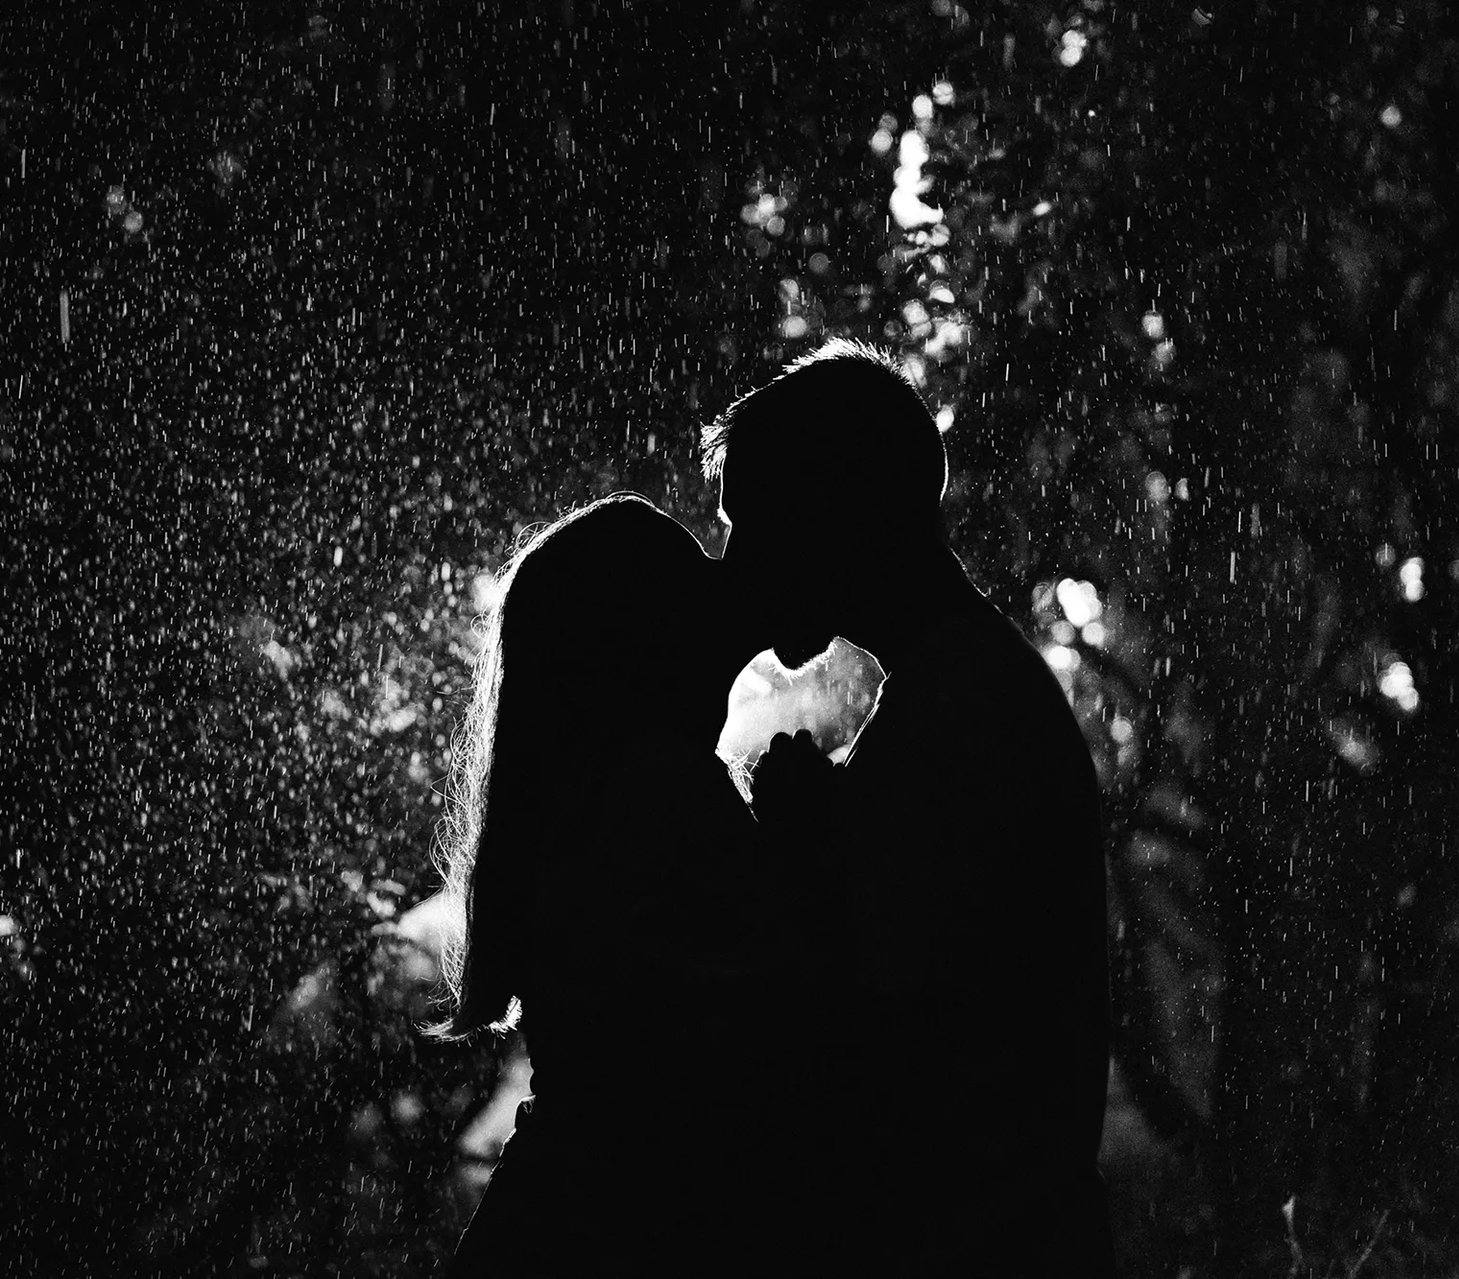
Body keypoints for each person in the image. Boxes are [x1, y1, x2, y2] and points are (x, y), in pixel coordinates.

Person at [707, 338, 1115, 1275]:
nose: (736, 562)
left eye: (752, 520)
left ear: (829, 509)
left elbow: (878, 1036)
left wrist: (798, 856)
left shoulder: (958, 713)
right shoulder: (972, 689)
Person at [436, 493, 820, 1276]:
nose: (723, 587)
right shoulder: (663, 793)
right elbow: (790, 1029)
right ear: (647, 639)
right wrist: (806, 849)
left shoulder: (587, 802)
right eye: (693, 583)